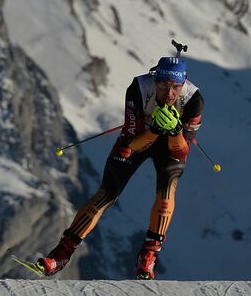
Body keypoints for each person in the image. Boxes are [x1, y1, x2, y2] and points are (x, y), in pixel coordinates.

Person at [36, 51, 204, 280]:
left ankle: (149, 256)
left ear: (183, 84)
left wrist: (174, 131)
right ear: (155, 79)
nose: (169, 93)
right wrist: (155, 129)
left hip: (171, 145)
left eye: (175, 87)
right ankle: (61, 253)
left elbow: (182, 150)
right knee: (106, 194)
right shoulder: (139, 87)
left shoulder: (193, 100)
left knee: (165, 199)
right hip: (140, 138)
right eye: (164, 85)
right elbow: (132, 142)